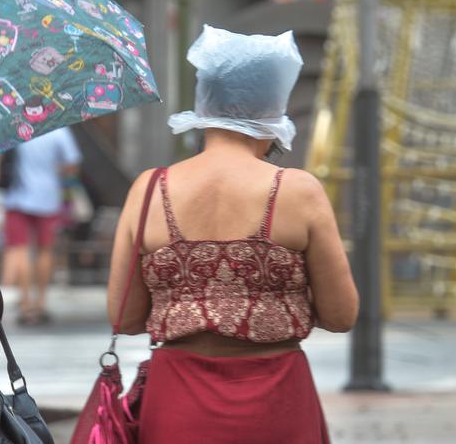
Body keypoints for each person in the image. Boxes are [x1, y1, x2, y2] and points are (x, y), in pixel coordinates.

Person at [106, 25, 359, 443]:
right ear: (274, 107)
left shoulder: (150, 190)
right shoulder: (298, 191)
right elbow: (341, 314)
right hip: (277, 401)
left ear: (204, 101)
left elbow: (126, 317)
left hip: (177, 404)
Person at [0, 128, 82, 325]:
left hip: (16, 198)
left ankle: (26, 304)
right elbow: (72, 162)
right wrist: (55, 171)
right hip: (49, 197)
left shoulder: (14, 129)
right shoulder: (58, 130)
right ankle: (40, 303)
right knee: (45, 250)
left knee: (20, 249)